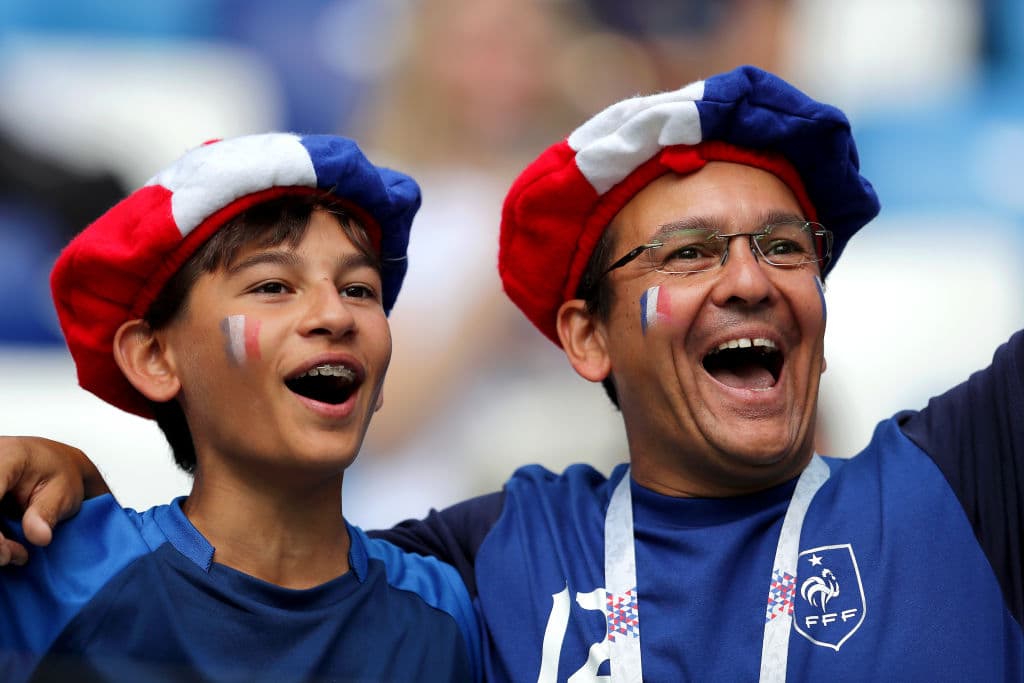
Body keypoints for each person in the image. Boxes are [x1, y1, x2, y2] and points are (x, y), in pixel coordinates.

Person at [4, 65, 1022, 681]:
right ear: (585, 337)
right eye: (689, 252)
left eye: (786, 246)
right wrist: (64, 495)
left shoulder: (972, 478)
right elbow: (246, 567)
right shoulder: (484, 564)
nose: (751, 278)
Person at [0, 133, 479, 682]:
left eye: (359, 290)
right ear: (154, 356)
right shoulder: (44, 571)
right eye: (274, 285)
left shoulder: (453, 609)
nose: (337, 316)